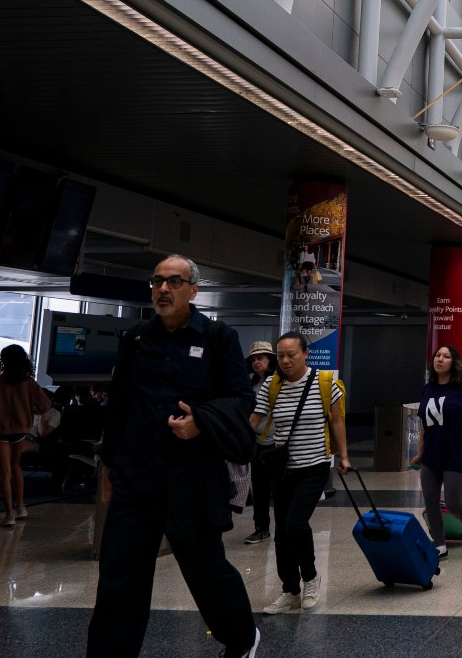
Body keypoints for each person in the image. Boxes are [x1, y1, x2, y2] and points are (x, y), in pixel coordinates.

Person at [87, 255, 259, 658]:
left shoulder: (218, 338)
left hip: (191, 476)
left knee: (205, 570)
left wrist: (201, 421)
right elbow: (121, 405)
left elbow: (241, 399)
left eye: (174, 282)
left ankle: (241, 637)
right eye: (158, 282)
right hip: (136, 475)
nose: (163, 289)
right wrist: (110, 464)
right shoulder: (136, 339)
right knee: (119, 576)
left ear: (194, 290)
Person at [250, 331, 348, 614]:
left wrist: (344, 455)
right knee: (281, 533)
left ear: (306, 354)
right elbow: (254, 421)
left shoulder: (325, 383)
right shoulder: (271, 385)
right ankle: (290, 590)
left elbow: (338, 421)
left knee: (295, 524)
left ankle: (311, 577)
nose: (285, 360)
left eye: (291, 355)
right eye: (280, 356)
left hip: (314, 465)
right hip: (282, 469)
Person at [414, 344, 462, 558]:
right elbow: (425, 424)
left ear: (454, 362)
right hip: (431, 454)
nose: (440, 359)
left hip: (456, 452)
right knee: (431, 501)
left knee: (453, 502)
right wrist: (419, 452)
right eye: (437, 356)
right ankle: (439, 545)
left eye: (445, 356)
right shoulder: (429, 388)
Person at [0, 343, 51, 528]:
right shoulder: (29, 383)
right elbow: (45, 406)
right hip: (21, 430)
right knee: (16, 466)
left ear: (2, 361)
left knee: (4, 471)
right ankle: (21, 506)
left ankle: (9, 514)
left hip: (0, 431)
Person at [242, 340, 276, 545]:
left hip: (277, 442)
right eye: (253, 359)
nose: (256, 362)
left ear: (270, 360)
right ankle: (261, 528)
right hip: (257, 442)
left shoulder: (280, 382)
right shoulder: (250, 384)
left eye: (260, 358)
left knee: (280, 488)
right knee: (260, 487)